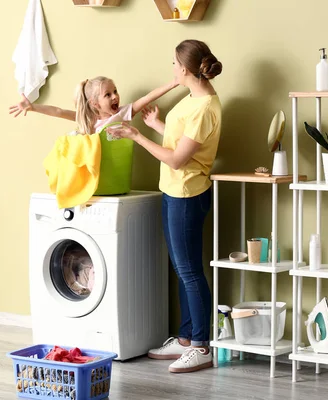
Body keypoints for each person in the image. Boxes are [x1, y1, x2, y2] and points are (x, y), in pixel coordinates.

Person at [107, 39, 222, 374]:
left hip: (187, 193)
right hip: (175, 192)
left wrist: (137, 136)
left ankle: (201, 345)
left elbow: (176, 159)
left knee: (189, 271)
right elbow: (182, 141)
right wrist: (157, 124)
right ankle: (186, 339)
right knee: (182, 269)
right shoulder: (195, 100)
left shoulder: (204, 108)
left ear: (185, 69)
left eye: (174, 64)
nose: (172, 69)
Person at [8, 76, 178, 134]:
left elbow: (147, 97)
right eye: (108, 94)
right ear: (95, 103)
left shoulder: (123, 113)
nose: (115, 97)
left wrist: (174, 83)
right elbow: (59, 111)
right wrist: (33, 107)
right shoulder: (88, 119)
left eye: (115, 91)